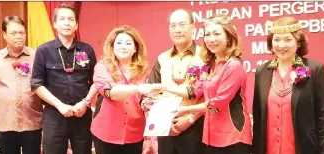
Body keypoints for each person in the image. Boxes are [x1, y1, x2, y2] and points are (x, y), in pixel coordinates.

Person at [162, 14, 253, 154]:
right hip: (210, 136)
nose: (211, 39)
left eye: (217, 34)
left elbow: (217, 103)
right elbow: (194, 91)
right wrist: (164, 87)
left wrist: (184, 111)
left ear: (229, 37)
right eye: (207, 34)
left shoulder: (233, 65)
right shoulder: (210, 65)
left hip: (233, 135)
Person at [252, 16, 324, 154]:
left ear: (299, 42)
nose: (281, 45)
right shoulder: (262, 72)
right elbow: (258, 117)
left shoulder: (314, 69)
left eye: (288, 40)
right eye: (276, 40)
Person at [30, 4, 97, 154]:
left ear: (76, 25)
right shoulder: (44, 50)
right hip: (54, 115)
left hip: (82, 113)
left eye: (71, 19)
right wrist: (60, 105)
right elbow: (36, 84)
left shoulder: (87, 50)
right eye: (62, 19)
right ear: (55, 23)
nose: (67, 23)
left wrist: (85, 103)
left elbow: (96, 81)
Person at [142, 9, 206, 154]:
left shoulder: (205, 55)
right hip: (166, 128)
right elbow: (152, 91)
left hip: (196, 127)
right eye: (173, 26)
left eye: (182, 25)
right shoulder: (162, 58)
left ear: (193, 27)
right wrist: (148, 104)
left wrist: (190, 119)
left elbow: (209, 94)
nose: (177, 30)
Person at [91, 25, 161, 154]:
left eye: (128, 43)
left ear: (135, 48)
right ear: (112, 47)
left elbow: (143, 99)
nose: (123, 46)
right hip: (106, 132)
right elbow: (110, 93)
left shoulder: (144, 70)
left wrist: (147, 103)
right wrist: (139, 88)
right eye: (119, 43)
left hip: (134, 133)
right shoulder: (102, 66)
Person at [0, 16, 42, 154]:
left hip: (32, 122)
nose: (19, 36)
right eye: (13, 33)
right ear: (4, 34)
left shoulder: (36, 56)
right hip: (5, 123)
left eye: (22, 33)